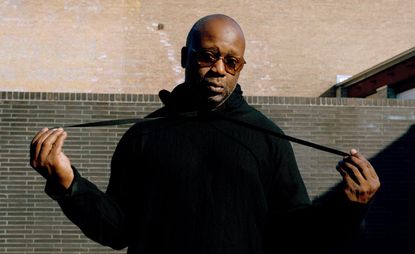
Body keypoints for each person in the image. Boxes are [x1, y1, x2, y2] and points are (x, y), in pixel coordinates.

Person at [30, 14, 380, 254]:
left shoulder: (266, 137)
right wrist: (68, 184)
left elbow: (294, 236)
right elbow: (117, 230)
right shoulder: (143, 137)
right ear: (185, 57)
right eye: (208, 56)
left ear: (241, 67)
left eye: (232, 62)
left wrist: (348, 208)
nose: (218, 69)